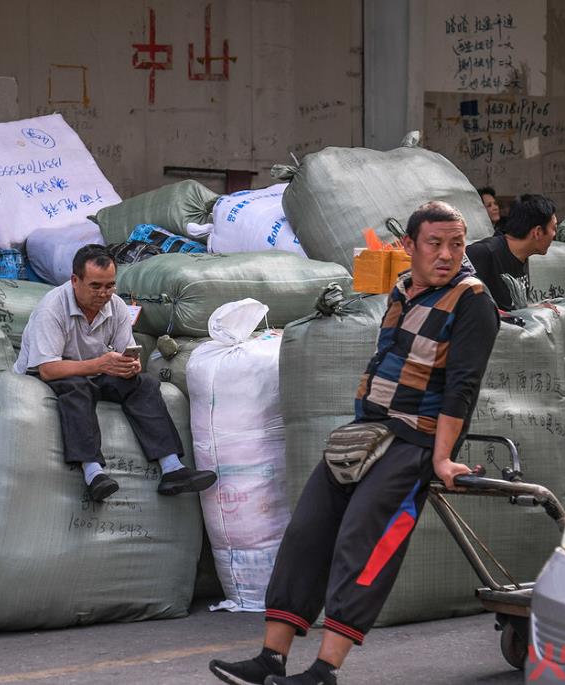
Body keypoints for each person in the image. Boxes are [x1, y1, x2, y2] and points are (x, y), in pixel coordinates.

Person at [207, 201, 499, 685]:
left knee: (362, 543)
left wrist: (443, 458)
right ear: (409, 247)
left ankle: (324, 670)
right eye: (435, 243)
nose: (447, 254)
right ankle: (270, 658)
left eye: (456, 244)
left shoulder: (472, 302)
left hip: (415, 442)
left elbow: (462, 387)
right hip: (365, 434)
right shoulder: (403, 290)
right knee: (306, 534)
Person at [13, 244, 217, 502]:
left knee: (143, 384)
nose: (103, 293)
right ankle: (93, 473)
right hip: (47, 376)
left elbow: (125, 352)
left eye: (109, 286)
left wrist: (130, 366)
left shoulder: (117, 306)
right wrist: (100, 365)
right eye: (95, 286)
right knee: (77, 387)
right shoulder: (52, 308)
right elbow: (47, 368)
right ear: (75, 280)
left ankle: (172, 468)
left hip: (91, 369)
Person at [465, 194, 557, 311]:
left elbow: (510, 308)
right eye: (553, 228)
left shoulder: (523, 256)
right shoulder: (483, 252)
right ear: (537, 232)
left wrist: (536, 308)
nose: (555, 234)